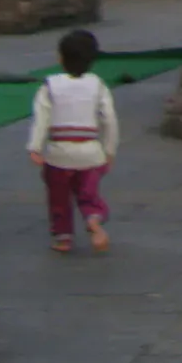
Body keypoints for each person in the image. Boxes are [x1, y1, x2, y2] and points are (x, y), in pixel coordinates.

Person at [27, 28, 119, 252]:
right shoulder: (98, 85)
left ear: (60, 57)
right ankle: (93, 220)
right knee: (88, 193)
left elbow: (41, 119)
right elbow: (109, 120)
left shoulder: (49, 86)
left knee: (59, 197)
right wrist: (109, 149)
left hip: (59, 152)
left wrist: (35, 147)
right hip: (90, 152)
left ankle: (63, 237)